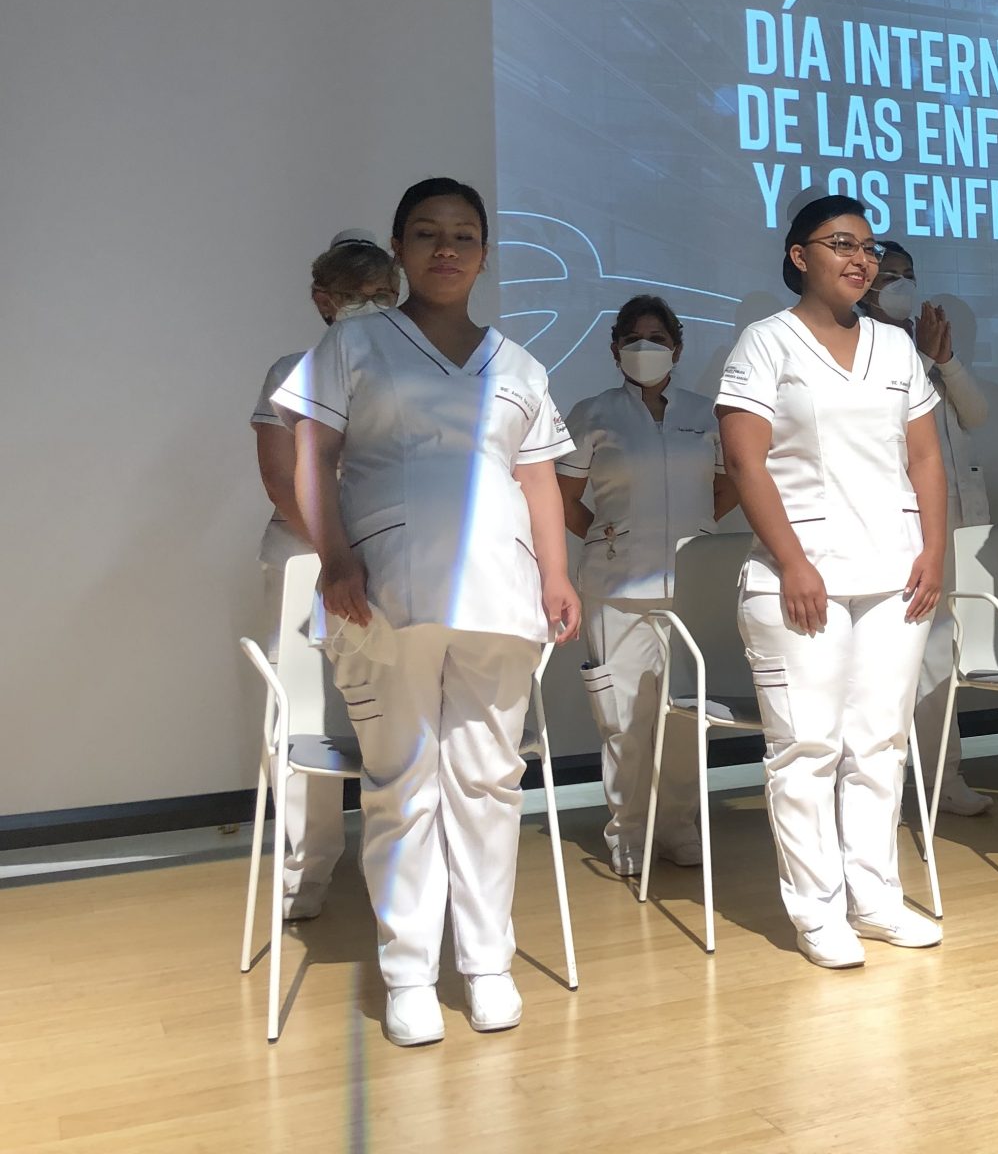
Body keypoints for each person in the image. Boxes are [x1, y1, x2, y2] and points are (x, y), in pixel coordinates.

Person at [275, 177, 580, 1047]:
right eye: (426, 232)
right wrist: (336, 558)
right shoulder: (355, 343)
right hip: (384, 591)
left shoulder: (519, 365)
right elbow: (312, 455)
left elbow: (537, 480)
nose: (446, 247)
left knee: (488, 779)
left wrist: (556, 575)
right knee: (403, 781)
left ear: (484, 255)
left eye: (464, 235)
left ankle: (486, 963)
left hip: (500, 594)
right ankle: (408, 971)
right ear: (401, 250)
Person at [715, 194, 948, 969]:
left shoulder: (895, 347)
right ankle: (817, 912)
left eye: (868, 248)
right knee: (807, 747)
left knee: (879, 742)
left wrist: (933, 550)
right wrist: (792, 561)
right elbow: (745, 460)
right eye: (841, 244)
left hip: (894, 573)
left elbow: (924, 457)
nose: (861, 259)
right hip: (801, 574)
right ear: (799, 256)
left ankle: (875, 899)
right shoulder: (766, 342)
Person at [558, 295, 738, 878]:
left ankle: (679, 826)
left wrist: (701, 529)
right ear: (615, 350)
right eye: (633, 338)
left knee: (686, 716)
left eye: (657, 338)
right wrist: (604, 534)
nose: (645, 348)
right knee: (624, 723)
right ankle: (629, 832)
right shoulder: (593, 414)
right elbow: (562, 496)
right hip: (616, 588)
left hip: (691, 589)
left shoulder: (704, 415)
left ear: (677, 349)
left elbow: (733, 482)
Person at [248, 228, 398, 920]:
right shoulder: (293, 370)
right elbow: (283, 479)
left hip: (386, 562)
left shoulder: (407, 375)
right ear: (324, 300)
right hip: (305, 559)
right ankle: (306, 872)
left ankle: (396, 865)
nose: (376, 305)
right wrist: (340, 553)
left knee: (390, 711)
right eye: (359, 294)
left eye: (386, 294)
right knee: (304, 717)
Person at [859, 242, 996, 819]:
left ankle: (944, 774)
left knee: (940, 654)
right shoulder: (860, 344)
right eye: (888, 275)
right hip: (893, 526)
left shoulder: (928, 350)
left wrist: (945, 360)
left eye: (908, 275)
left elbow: (977, 415)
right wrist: (918, 356)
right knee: (887, 661)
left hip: (952, 527)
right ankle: (878, 783)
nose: (900, 284)